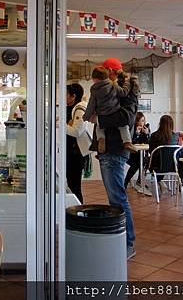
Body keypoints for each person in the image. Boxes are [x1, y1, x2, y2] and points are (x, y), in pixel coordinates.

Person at [94, 57, 138, 260]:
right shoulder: (112, 90)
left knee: (118, 199)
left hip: (115, 151)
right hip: (109, 150)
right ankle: (120, 240)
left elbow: (126, 118)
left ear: (111, 72)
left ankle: (127, 243)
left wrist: (99, 118)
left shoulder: (127, 92)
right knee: (115, 199)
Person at [83, 66, 137, 153]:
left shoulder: (94, 90)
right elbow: (123, 93)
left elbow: (91, 105)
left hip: (101, 113)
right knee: (123, 126)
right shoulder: (113, 85)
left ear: (95, 79)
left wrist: (86, 116)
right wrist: (127, 83)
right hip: (115, 110)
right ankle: (127, 142)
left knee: (99, 127)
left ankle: (101, 139)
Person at [65, 83, 93, 203]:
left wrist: (61, 124)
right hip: (69, 151)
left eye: (66, 94)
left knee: (74, 185)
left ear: (73, 96)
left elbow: (76, 131)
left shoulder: (79, 109)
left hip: (76, 153)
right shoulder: (69, 108)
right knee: (70, 183)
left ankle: (78, 211)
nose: (63, 96)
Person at [124, 112, 150, 191]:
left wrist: (146, 134)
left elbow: (148, 143)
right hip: (130, 154)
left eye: (143, 121)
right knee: (138, 163)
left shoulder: (146, 129)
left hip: (140, 155)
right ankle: (131, 181)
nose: (143, 123)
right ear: (136, 121)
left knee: (145, 161)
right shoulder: (131, 129)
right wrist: (136, 133)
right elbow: (129, 142)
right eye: (141, 121)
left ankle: (135, 181)